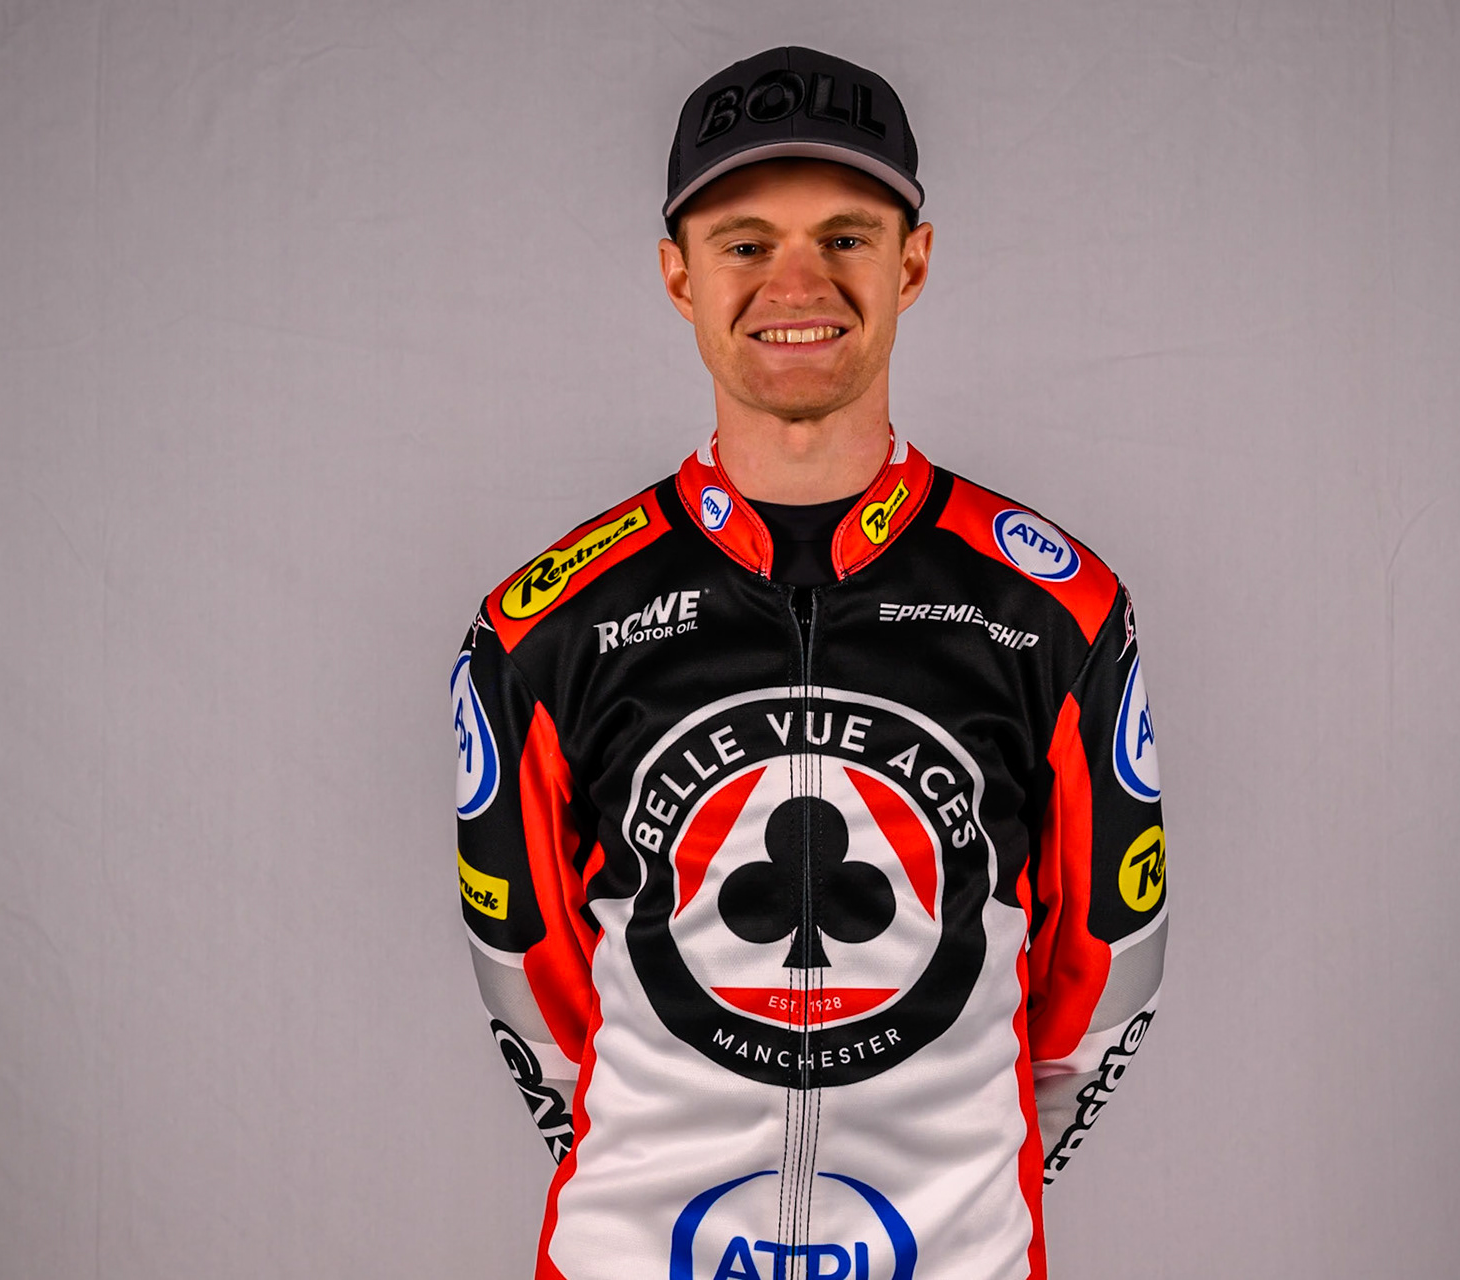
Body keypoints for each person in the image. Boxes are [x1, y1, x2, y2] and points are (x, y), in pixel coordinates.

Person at [453, 45, 1168, 1280]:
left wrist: (947, 1180)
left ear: (914, 262)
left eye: (846, 235)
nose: (798, 280)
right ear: (677, 273)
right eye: (743, 242)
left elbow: (1094, 993)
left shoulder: (1057, 610)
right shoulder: (543, 625)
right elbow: (541, 1003)